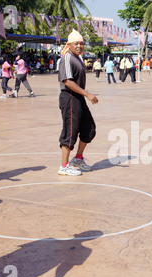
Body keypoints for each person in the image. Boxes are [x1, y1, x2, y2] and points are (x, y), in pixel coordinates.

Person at [57, 29, 99, 176]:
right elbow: (67, 81)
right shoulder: (67, 57)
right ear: (69, 44)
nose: (80, 46)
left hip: (78, 98)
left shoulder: (78, 58)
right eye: (76, 43)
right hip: (69, 97)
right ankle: (64, 166)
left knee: (89, 129)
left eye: (82, 43)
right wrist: (87, 94)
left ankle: (78, 159)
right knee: (70, 131)